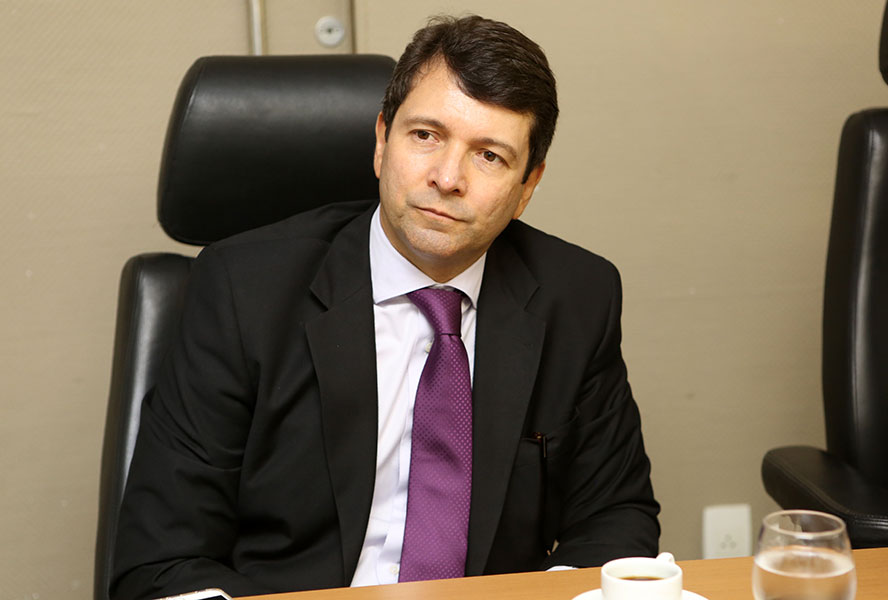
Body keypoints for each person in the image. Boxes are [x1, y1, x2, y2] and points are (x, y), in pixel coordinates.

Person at [111, 14, 660, 600]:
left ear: (527, 186)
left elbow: (616, 515)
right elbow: (162, 560)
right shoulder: (241, 289)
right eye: (425, 135)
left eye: (489, 156)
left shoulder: (576, 295)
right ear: (381, 141)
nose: (447, 178)